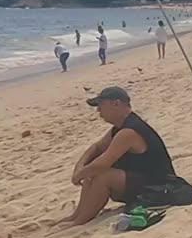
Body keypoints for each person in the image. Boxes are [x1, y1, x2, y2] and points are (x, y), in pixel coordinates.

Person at [57, 87, 176, 227]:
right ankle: (77, 215)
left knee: (102, 175)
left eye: (101, 105)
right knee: (91, 173)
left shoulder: (129, 131)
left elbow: (101, 164)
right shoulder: (120, 128)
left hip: (160, 187)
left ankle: (81, 220)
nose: (98, 111)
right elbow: (96, 147)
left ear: (116, 103)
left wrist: (79, 175)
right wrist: (80, 168)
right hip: (143, 181)